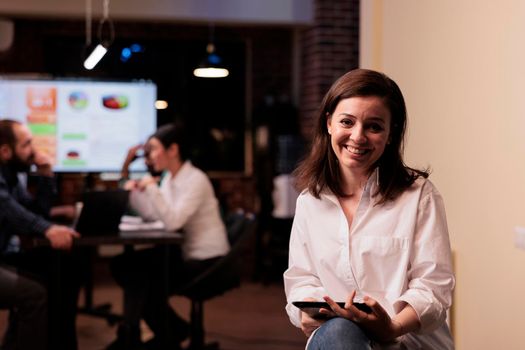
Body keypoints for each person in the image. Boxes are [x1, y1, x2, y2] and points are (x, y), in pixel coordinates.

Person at [283, 69, 455, 349]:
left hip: (407, 340)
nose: (358, 137)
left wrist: (392, 327)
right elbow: (302, 278)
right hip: (339, 338)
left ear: (390, 134)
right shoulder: (309, 201)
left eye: (374, 126)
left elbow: (434, 288)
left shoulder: (419, 196)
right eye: (347, 122)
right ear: (329, 124)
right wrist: (307, 308)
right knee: (340, 331)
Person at [108, 123, 230, 350]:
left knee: (141, 278)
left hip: (207, 261)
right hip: (183, 253)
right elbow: (156, 215)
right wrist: (136, 191)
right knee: (124, 265)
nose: (149, 156)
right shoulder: (169, 179)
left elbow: (173, 222)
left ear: (172, 150)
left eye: (153, 149)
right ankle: (164, 332)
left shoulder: (195, 179)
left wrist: (152, 189)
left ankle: (159, 334)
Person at [0, 119, 81, 350]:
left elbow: (35, 212)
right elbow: (9, 210)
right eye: (27, 145)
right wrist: (47, 229)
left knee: (66, 269)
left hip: (4, 257)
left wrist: (46, 176)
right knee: (33, 294)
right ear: (5, 151)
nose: (34, 152)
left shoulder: (13, 177)